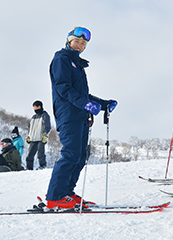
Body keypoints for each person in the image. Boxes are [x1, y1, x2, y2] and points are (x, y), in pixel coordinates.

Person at [46, 26, 117, 209]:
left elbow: (84, 95)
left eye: (83, 43)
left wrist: (103, 104)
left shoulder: (77, 65)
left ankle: (67, 193)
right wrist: (84, 104)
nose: (79, 45)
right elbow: (64, 88)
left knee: (81, 155)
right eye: (76, 41)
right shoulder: (62, 59)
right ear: (69, 41)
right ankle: (55, 196)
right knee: (70, 154)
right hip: (69, 114)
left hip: (81, 115)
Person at [26, 100, 51, 170]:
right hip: (33, 139)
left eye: (35, 107)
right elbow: (30, 127)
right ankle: (29, 168)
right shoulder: (33, 117)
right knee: (30, 155)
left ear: (39, 106)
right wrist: (29, 136)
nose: (34, 109)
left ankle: (42, 166)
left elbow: (47, 126)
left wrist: (45, 134)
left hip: (41, 138)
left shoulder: (45, 115)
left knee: (40, 154)